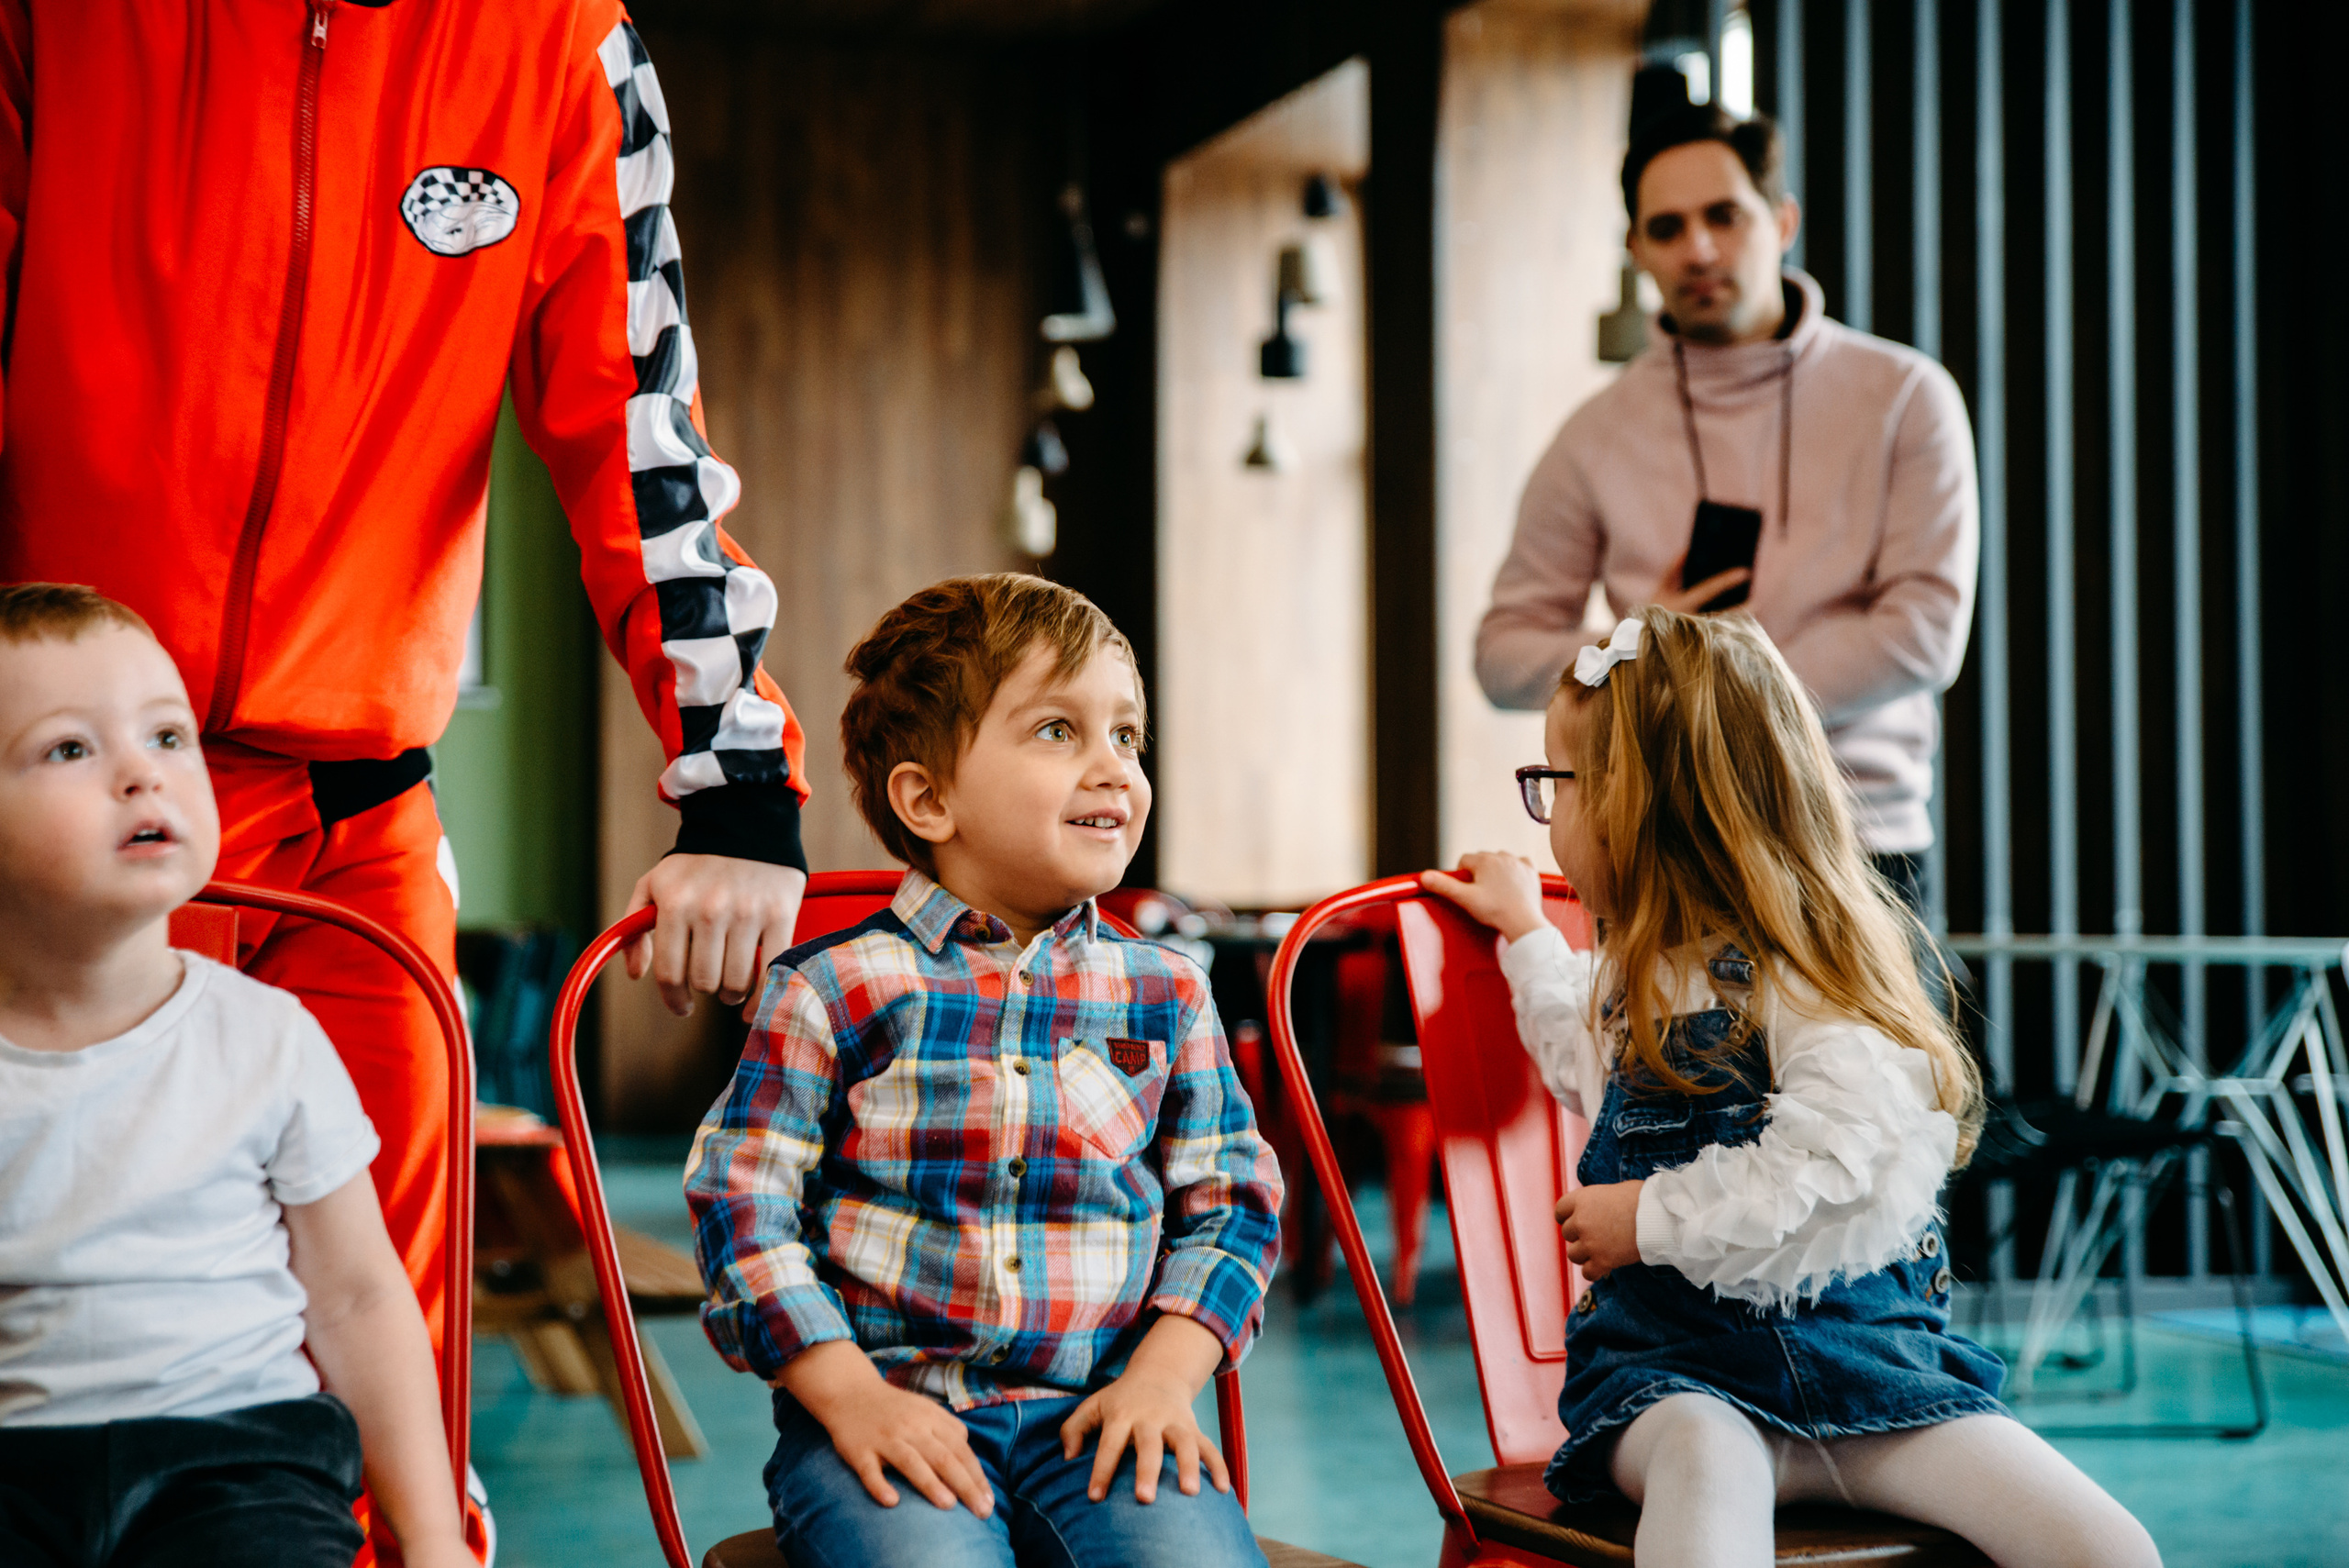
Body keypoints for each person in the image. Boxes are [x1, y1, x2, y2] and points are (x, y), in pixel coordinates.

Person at [0, 0, 812, 1451]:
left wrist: (738, 784)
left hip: (360, 829)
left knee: (385, 1348)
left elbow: (636, 428)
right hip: (64, 806)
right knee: (69, 1345)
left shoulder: (561, 39)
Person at [1422, 606, 2159, 1568]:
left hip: (1871, 1375)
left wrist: (1650, 1216)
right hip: (1676, 1379)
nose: (1546, 813)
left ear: (1639, 804)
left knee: (2106, 1547)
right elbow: (1574, 1050)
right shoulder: (1635, 979)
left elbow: (1833, 1165)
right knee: (1703, 1463)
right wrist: (1526, 932)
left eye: (1553, 782)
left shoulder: (1816, 980)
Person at [685, 574, 1283, 1568]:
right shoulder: (833, 989)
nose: (1114, 768)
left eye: (1126, 735)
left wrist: (1163, 1381)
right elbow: (743, 1205)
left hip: (1105, 1415)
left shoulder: (1168, 990)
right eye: (1059, 730)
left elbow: (1233, 1205)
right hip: (885, 1410)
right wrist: (849, 1394)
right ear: (929, 798)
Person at [0, 585, 470, 1568]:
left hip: (238, 1464)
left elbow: (358, 1299)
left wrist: (431, 1539)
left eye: (168, 736)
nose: (143, 774)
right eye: (70, 748)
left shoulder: (268, 1038)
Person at [1475, 105, 1977, 911]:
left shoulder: (1905, 397)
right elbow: (1503, 657)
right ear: (1636, 249)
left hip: (1858, 842)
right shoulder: (1594, 434)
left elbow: (1922, 633)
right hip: (1661, 844)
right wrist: (1643, 641)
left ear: (1782, 221)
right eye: (1667, 228)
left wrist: (1713, 690)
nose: (1699, 249)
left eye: (1724, 216)